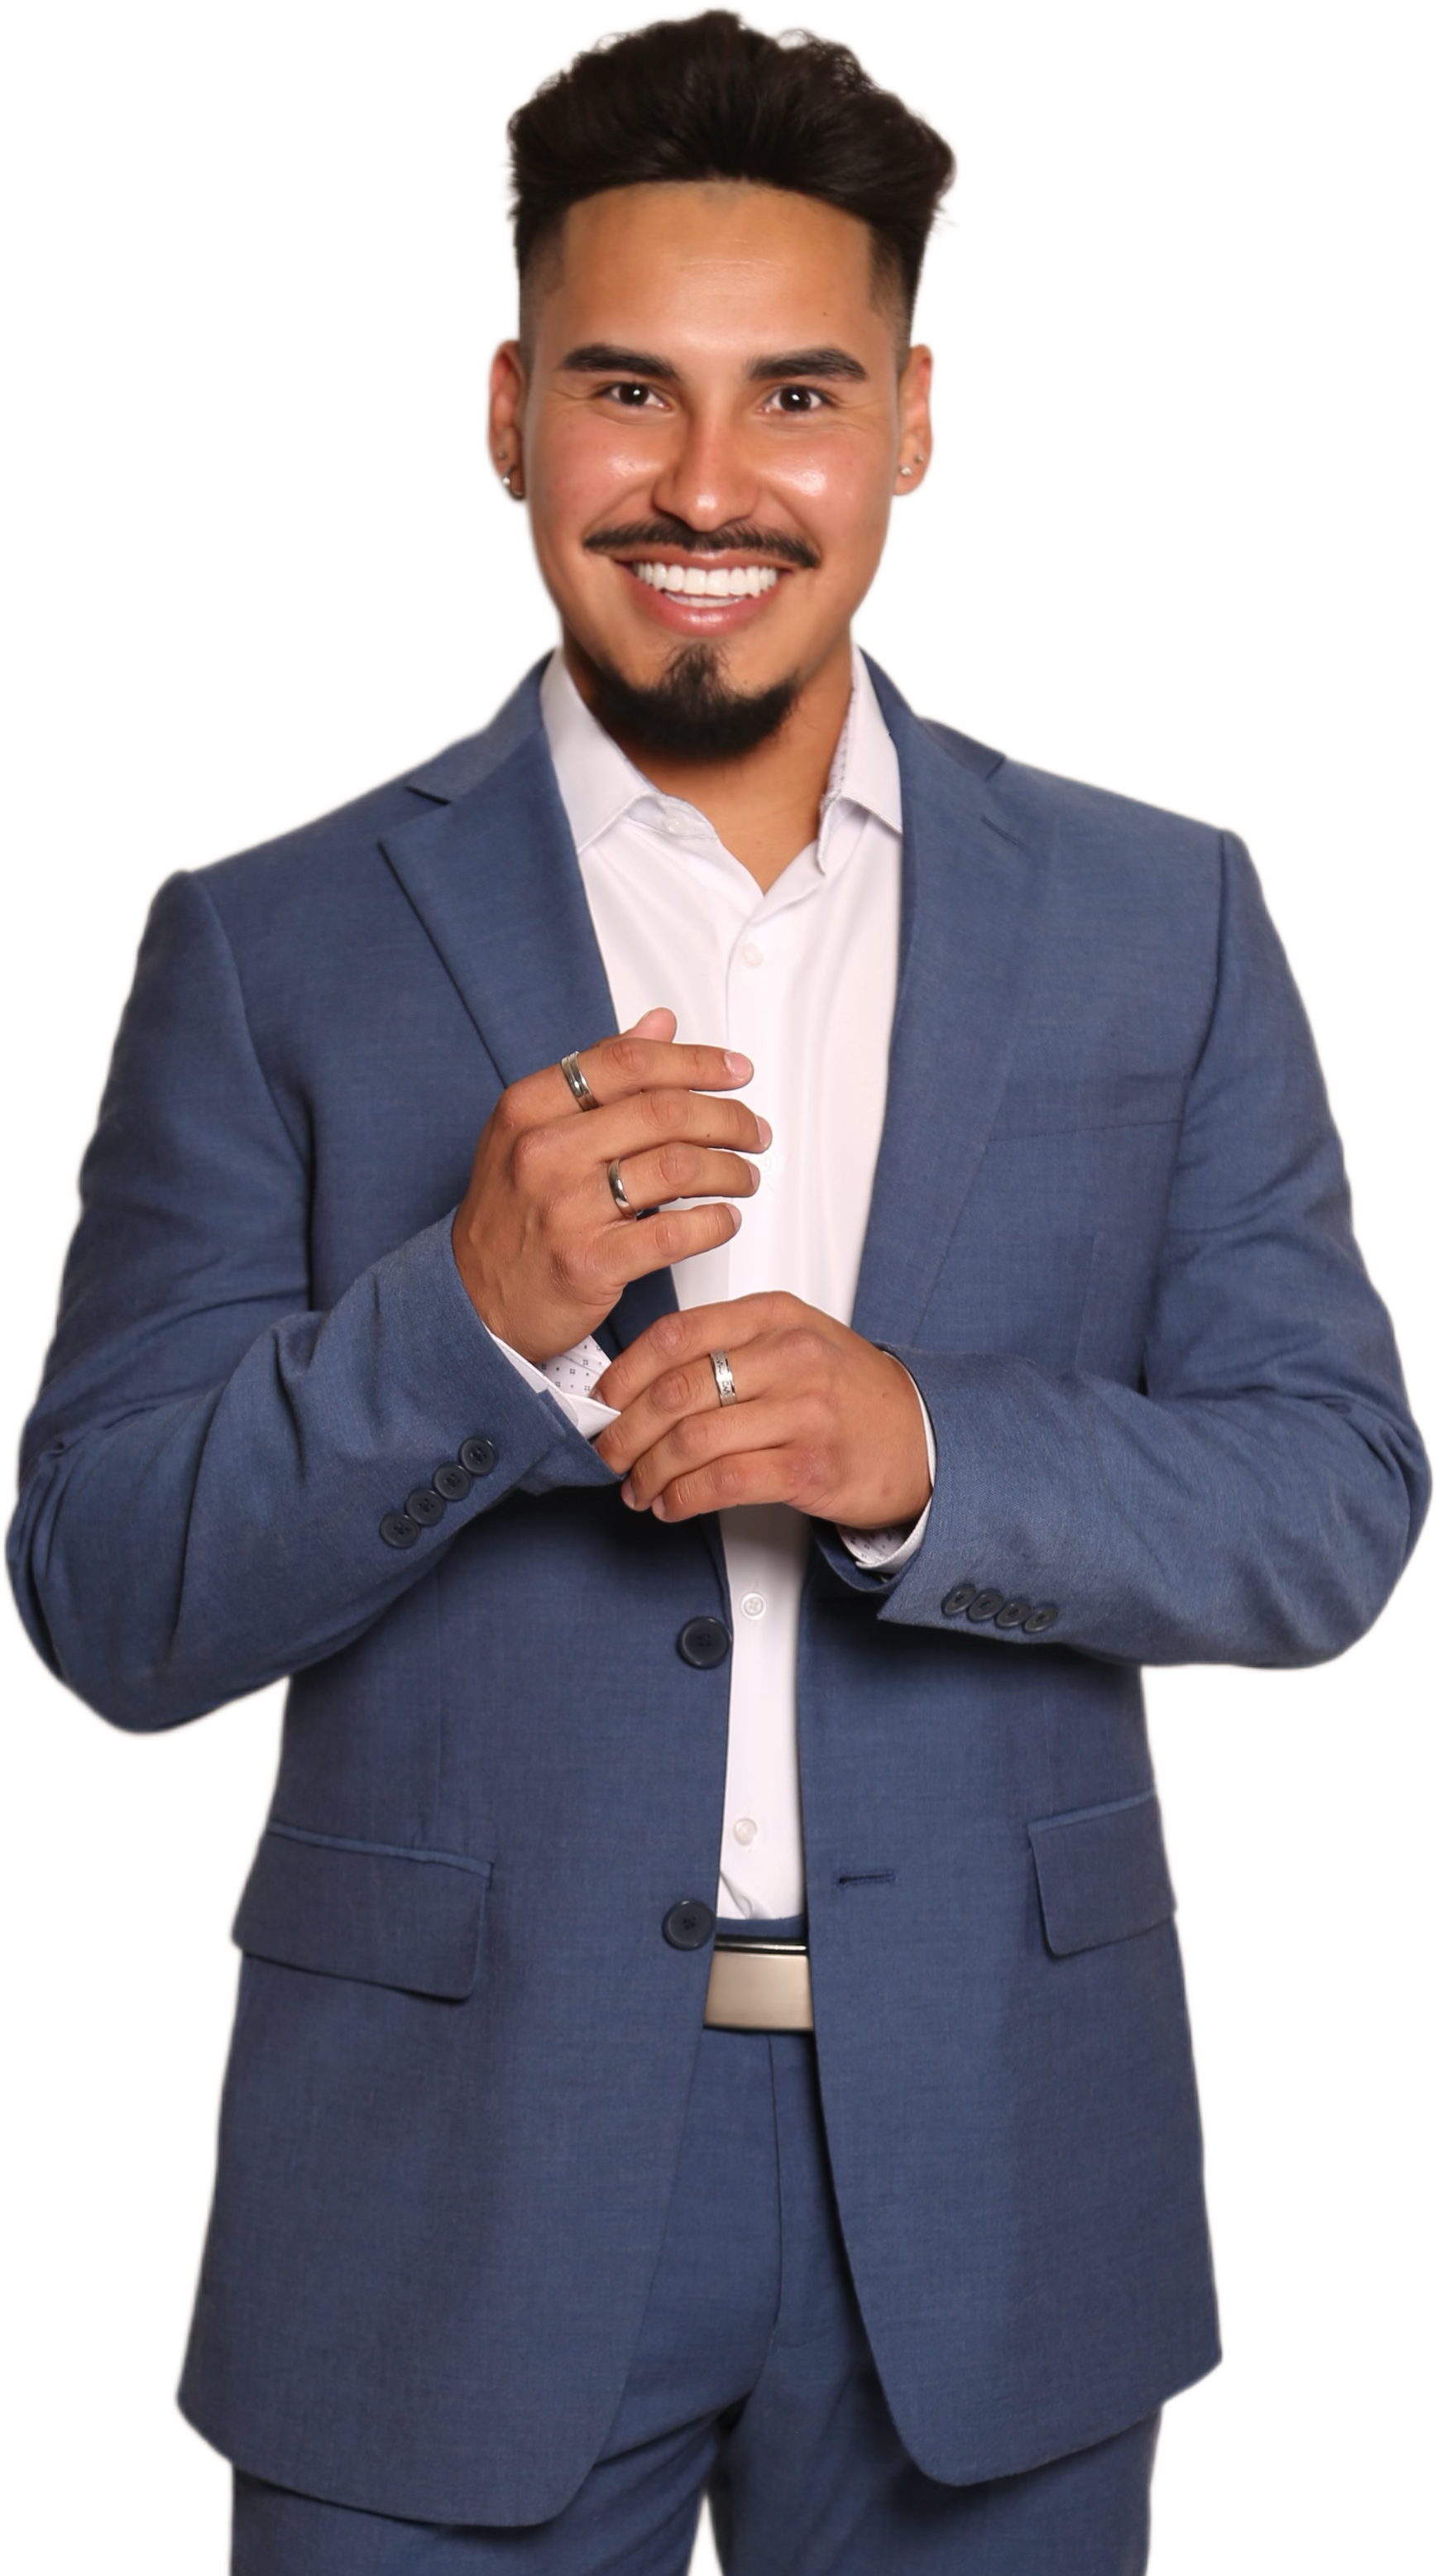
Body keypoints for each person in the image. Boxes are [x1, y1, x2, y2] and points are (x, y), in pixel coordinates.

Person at [5, 7, 1429, 2570]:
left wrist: (930, 1453)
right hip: (440, 2185)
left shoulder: (1162, 916)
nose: (702, 485)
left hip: (994, 2167)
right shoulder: (266, 940)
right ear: (505, 411)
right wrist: (465, 1311)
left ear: (908, 419)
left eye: (793, 396)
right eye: (623, 390)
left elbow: (1334, 1499)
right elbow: (106, 1596)